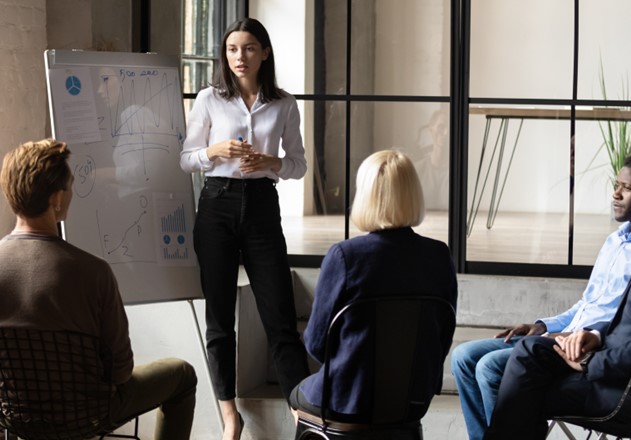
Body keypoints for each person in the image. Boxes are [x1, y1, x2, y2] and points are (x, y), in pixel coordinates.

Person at [485, 154, 631, 440]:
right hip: (625, 374)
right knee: (531, 352)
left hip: (630, 396)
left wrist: (587, 361)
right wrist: (595, 337)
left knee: (519, 378)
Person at [450, 151, 631, 440]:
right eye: (617, 184)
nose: (616, 194)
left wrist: (571, 337)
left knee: (488, 367)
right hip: (560, 336)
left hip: (581, 348)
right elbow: (587, 304)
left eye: (626, 187)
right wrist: (544, 325)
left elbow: (623, 323)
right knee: (462, 356)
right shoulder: (615, 240)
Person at [0, 139, 197, 440]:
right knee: (182, 375)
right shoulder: (93, 272)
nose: (72, 194)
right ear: (55, 198)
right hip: (87, 416)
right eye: (70, 186)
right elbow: (120, 370)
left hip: (15, 418)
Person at [179, 17, 309, 440]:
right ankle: (229, 415)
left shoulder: (284, 104)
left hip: (261, 207)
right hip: (215, 206)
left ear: (264, 53)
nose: (240, 57)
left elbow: (298, 165)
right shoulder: (208, 99)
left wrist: (272, 164)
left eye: (249, 48)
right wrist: (212, 152)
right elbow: (186, 158)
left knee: (280, 317)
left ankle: (299, 417)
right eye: (233, 49)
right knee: (219, 319)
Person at [289, 150, 458, 422]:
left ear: (365, 195)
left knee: (296, 395)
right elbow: (443, 338)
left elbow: (317, 344)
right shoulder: (439, 256)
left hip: (348, 398)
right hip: (412, 400)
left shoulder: (344, 256)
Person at [413, 109, 449, 210]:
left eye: (450, 127)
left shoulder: (460, 172)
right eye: (441, 127)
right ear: (431, 130)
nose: (446, 132)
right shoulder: (417, 170)